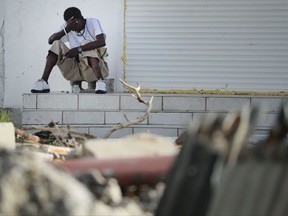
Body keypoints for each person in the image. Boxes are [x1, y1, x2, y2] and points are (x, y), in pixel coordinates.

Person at [31, 7, 109, 94]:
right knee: (57, 43)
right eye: (69, 24)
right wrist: (66, 29)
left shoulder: (93, 22)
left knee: (86, 44)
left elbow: (102, 42)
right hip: (74, 70)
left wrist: (78, 49)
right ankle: (43, 81)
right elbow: (50, 41)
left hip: (92, 71)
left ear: (80, 19)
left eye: (74, 24)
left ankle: (101, 82)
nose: (73, 28)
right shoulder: (67, 26)